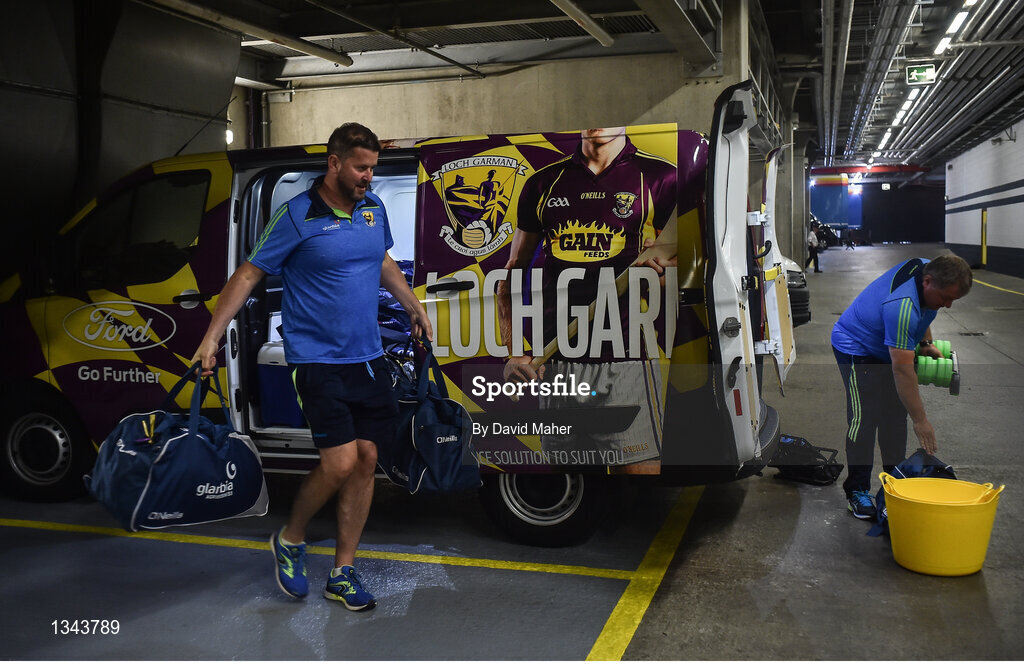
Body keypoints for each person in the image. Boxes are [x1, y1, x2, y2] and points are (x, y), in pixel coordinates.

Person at [190, 123, 432, 610]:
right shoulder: (296, 216)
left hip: (368, 357)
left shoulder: (372, 208)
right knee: (339, 462)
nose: (369, 177)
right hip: (317, 360)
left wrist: (412, 304)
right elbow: (249, 273)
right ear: (335, 163)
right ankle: (292, 538)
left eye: (373, 168)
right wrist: (212, 337)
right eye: (362, 168)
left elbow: (381, 260)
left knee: (367, 461)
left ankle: (342, 571)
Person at [497, 127, 676, 469]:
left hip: (626, 359)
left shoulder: (660, 177)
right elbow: (509, 277)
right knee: (572, 485)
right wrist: (514, 352)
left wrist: (664, 273)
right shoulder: (544, 182)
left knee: (640, 478)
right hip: (557, 362)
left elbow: (688, 268)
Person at [831, 254, 971, 519]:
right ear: (928, 281)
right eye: (946, 298)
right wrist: (921, 420)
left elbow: (927, 311)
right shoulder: (902, 306)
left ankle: (893, 484)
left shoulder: (929, 268)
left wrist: (926, 342)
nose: (949, 305)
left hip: (886, 349)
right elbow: (903, 370)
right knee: (865, 418)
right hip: (856, 347)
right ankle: (857, 492)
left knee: (894, 419)